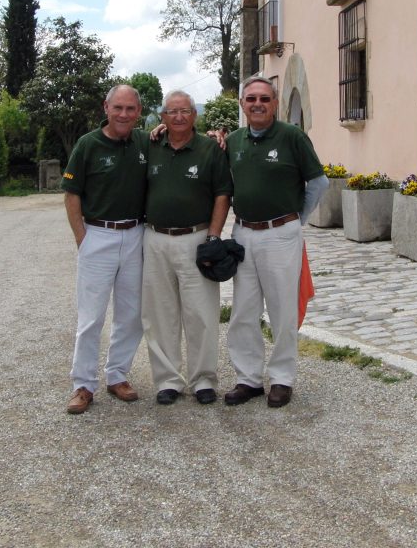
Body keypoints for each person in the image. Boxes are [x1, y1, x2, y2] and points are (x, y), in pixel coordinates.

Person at [223, 77, 328, 408]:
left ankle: (282, 378)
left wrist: (296, 219)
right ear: (242, 104)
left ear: (275, 103)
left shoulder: (292, 137)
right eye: (251, 98)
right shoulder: (234, 141)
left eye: (264, 99)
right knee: (243, 310)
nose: (258, 104)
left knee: (282, 308)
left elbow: (318, 183)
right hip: (243, 233)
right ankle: (248, 379)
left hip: (280, 234)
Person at [142, 90, 232, 406]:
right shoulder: (150, 146)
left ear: (195, 115)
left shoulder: (211, 148)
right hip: (155, 238)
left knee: (202, 312)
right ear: (162, 117)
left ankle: (203, 379)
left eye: (185, 111)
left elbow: (223, 194)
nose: (178, 117)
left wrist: (214, 237)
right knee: (160, 313)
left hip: (197, 237)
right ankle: (168, 380)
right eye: (172, 112)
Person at [62, 84, 148, 415]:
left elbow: (175, 137)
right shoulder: (88, 144)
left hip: (136, 234)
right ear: (106, 108)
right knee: (91, 317)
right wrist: (82, 238)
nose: (124, 114)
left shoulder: (144, 142)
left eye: (130, 108)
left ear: (139, 112)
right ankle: (83, 384)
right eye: (118, 108)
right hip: (98, 234)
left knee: (131, 314)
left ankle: (117, 375)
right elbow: (72, 194)